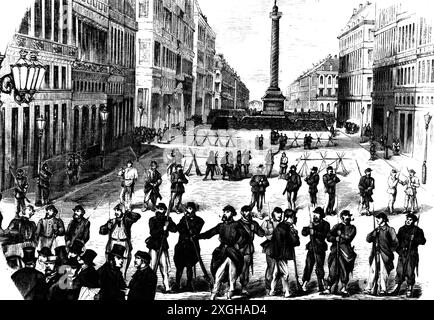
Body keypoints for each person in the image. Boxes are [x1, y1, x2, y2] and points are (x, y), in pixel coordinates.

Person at [196, 205, 245, 300]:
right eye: (224, 212)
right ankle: (215, 291)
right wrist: (196, 237)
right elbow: (209, 234)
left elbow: (245, 237)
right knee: (218, 273)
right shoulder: (221, 226)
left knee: (232, 272)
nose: (225, 214)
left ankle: (230, 291)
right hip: (222, 252)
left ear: (232, 214)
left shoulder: (237, 225)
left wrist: (239, 245)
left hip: (233, 252)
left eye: (227, 212)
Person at [99, 203, 141, 278]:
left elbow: (137, 216)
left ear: (123, 211)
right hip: (112, 242)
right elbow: (102, 232)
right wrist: (106, 227)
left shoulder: (127, 220)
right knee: (111, 260)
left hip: (123, 242)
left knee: (124, 260)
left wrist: (127, 212)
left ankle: (122, 277)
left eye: (118, 210)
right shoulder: (112, 221)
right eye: (115, 210)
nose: (116, 212)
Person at [390, 213, 426, 298]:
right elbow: (397, 241)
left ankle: (410, 287)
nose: (408, 221)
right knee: (400, 270)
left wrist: (415, 239)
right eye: (407, 219)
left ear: (413, 221)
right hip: (403, 253)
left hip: (412, 253)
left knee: (410, 271)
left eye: (410, 220)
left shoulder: (417, 230)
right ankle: (397, 287)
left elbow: (423, 241)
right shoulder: (402, 229)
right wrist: (399, 251)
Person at [323, 210, 357, 297]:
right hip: (335, 250)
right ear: (342, 217)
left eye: (349, 216)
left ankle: (344, 288)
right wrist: (335, 239)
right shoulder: (337, 226)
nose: (348, 217)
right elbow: (328, 236)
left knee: (344, 269)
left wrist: (340, 235)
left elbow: (348, 238)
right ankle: (328, 287)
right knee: (333, 269)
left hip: (345, 251)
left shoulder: (352, 228)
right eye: (346, 216)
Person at [364, 212, 398, 296]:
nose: (377, 220)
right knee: (373, 271)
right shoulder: (376, 229)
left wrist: (389, 250)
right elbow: (368, 239)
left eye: (379, 219)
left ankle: (383, 289)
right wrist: (373, 234)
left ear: (383, 219)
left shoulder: (390, 229)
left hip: (385, 254)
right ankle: (369, 288)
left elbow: (396, 242)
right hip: (376, 253)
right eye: (376, 219)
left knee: (383, 272)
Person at [173, 202, 204, 292]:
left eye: (190, 209)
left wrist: (190, 230)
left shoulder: (199, 220)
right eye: (188, 209)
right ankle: (177, 283)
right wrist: (184, 228)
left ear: (194, 210)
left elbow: (196, 231)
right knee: (179, 266)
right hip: (182, 246)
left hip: (191, 247)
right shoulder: (183, 219)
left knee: (189, 266)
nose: (188, 210)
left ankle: (189, 284)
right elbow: (178, 228)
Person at [269, 209, 300, 298]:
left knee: (277, 273)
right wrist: (294, 235)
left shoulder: (285, 226)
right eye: (293, 217)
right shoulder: (283, 227)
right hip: (281, 255)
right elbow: (293, 242)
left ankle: (272, 291)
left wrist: (294, 234)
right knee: (285, 273)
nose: (295, 219)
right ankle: (286, 292)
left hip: (280, 254)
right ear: (289, 218)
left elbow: (294, 242)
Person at [146, 203, 177, 293]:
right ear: (156, 210)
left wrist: (169, 224)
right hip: (154, 245)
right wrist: (163, 228)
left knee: (164, 267)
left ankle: (167, 287)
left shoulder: (167, 219)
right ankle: (150, 287)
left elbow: (174, 230)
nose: (161, 211)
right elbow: (152, 232)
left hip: (163, 245)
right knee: (152, 267)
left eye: (163, 209)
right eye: (159, 209)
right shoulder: (152, 220)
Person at [237, 205, 265, 295]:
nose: (248, 213)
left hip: (247, 249)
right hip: (236, 249)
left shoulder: (253, 223)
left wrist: (265, 225)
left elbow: (261, 234)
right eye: (246, 211)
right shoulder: (237, 224)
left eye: (249, 211)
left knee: (244, 269)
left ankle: (243, 286)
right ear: (242, 213)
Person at [301, 207, 330, 293]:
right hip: (311, 247)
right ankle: (304, 283)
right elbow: (304, 233)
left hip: (320, 248)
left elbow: (324, 235)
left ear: (321, 215)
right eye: (314, 214)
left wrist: (315, 232)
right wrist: (308, 229)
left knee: (319, 266)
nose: (315, 216)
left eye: (317, 214)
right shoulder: (312, 224)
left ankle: (320, 284)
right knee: (308, 265)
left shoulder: (326, 224)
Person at [260, 207, 283, 293]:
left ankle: (277, 286)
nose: (280, 215)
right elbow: (262, 233)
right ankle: (268, 287)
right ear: (273, 213)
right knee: (271, 268)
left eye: (280, 213)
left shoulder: (282, 224)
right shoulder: (267, 222)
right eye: (278, 213)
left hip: (280, 248)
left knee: (280, 269)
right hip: (270, 247)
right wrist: (268, 227)